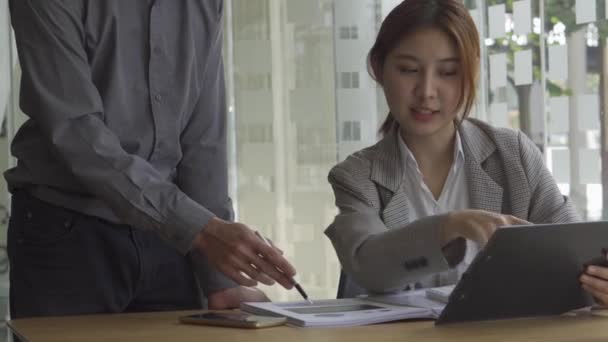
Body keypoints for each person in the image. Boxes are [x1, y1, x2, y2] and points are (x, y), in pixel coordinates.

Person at [6, 0, 296, 318]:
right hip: (68, 235)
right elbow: (76, 133)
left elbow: (203, 141)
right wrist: (202, 230)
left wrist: (219, 278)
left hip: (173, 241)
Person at [325, 0, 608, 305]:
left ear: (471, 72)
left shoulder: (514, 155)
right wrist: (448, 227)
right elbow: (369, 266)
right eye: (408, 70)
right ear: (378, 68)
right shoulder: (357, 176)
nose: (427, 91)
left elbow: (577, 256)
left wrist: (598, 283)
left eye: (448, 72)